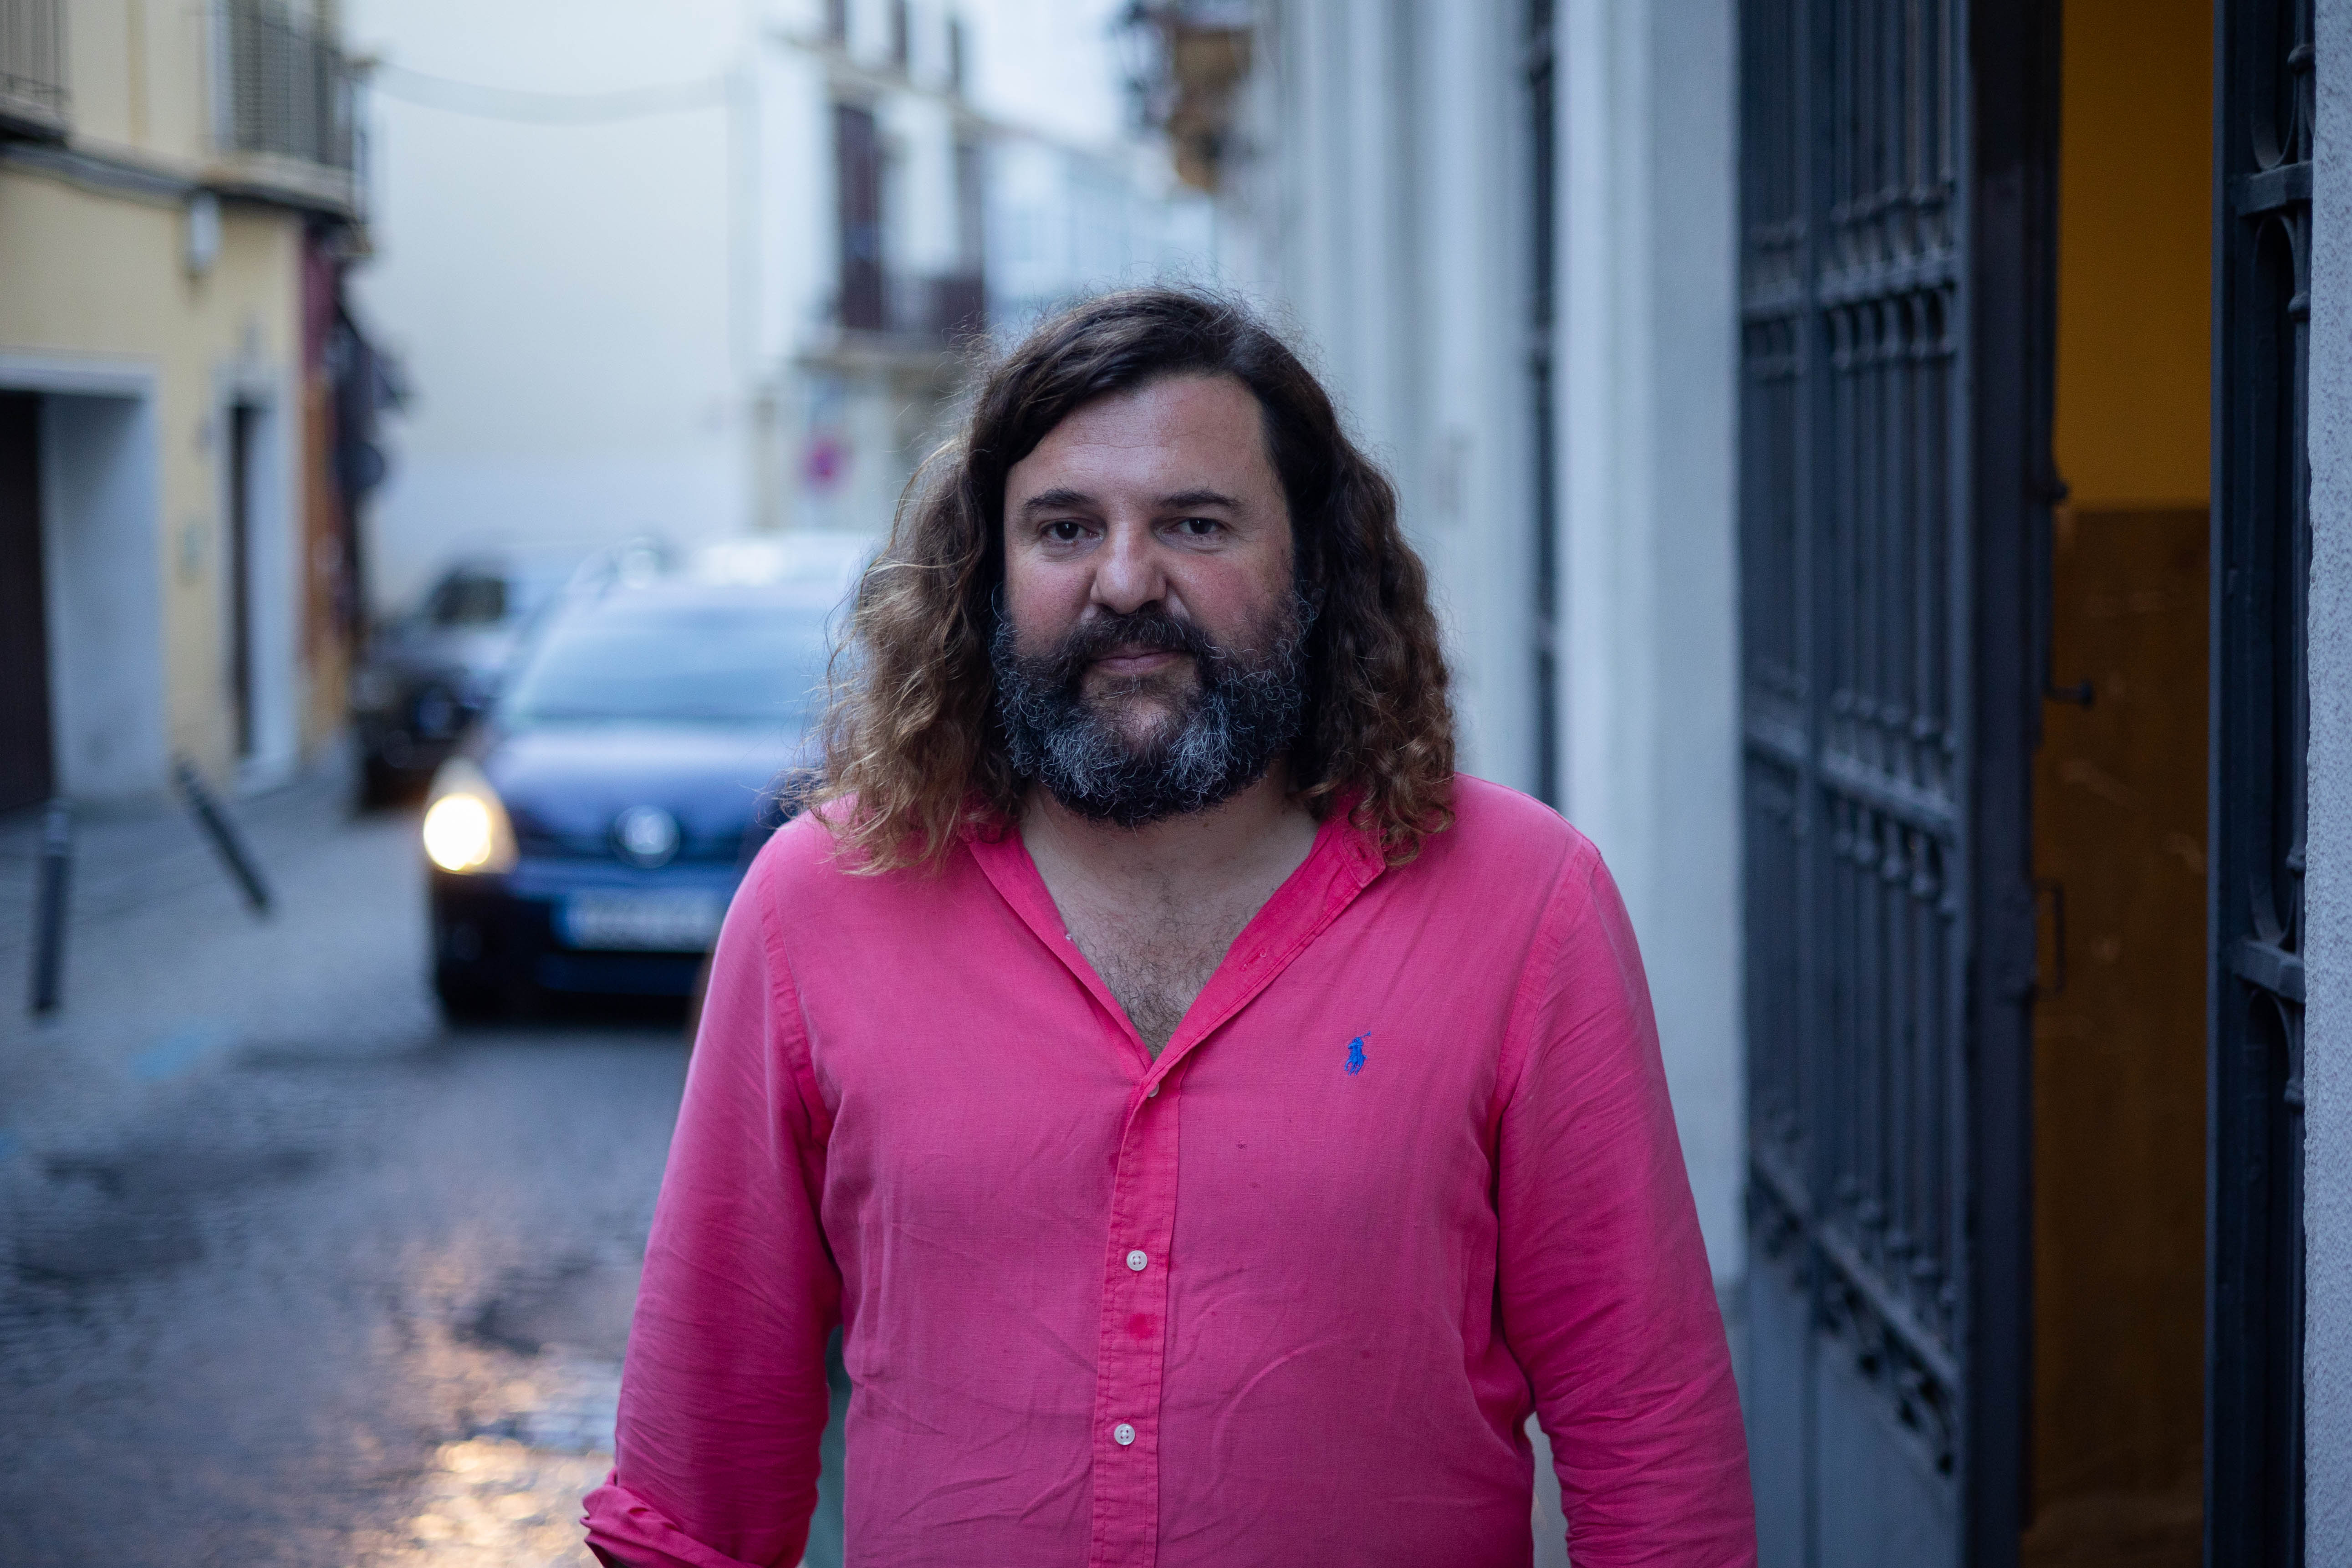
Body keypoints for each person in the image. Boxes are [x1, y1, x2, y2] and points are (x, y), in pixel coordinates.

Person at [583, 289, 1756, 1568]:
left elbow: (1654, 1453)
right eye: (1065, 528)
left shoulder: (1524, 904)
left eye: (1196, 524)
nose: (1126, 581)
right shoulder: (821, 901)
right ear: (987, 576)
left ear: (1314, 564)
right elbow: (695, 1487)